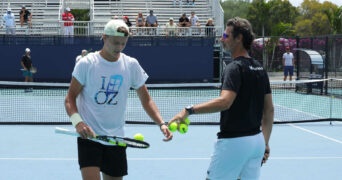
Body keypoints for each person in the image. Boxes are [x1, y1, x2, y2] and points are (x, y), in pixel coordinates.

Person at [64, 19, 173, 180]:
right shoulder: (87, 64)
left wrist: (161, 123)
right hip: (89, 138)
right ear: (104, 38)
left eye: (123, 43)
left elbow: (146, 99)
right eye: (115, 43)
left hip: (117, 139)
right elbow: (70, 98)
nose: (119, 47)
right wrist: (78, 122)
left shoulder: (131, 65)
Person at [168, 17, 274, 179]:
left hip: (234, 143)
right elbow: (269, 110)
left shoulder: (234, 68)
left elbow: (225, 101)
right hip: (256, 142)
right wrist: (264, 143)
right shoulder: (259, 68)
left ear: (238, 38)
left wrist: (188, 110)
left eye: (226, 36)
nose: (222, 39)